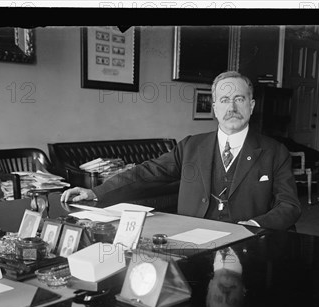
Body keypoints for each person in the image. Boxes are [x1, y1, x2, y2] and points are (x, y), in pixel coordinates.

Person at [61, 71, 301, 230]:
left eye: (239, 99)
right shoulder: (191, 146)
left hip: (247, 241)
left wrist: (255, 225)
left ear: (252, 106)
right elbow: (146, 173)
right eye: (225, 100)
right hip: (192, 238)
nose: (232, 107)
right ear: (215, 107)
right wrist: (95, 193)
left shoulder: (275, 151)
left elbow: (289, 206)